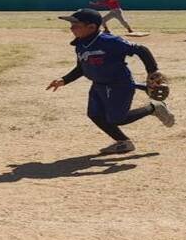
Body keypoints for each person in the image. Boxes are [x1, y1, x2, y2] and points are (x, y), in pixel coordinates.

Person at [46, 9, 175, 155]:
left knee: (116, 119)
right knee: (94, 115)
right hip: (98, 85)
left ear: (91, 27)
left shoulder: (110, 41)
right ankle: (124, 142)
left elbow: (142, 50)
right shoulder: (80, 44)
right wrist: (64, 80)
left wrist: (152, 72)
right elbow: (81, 67)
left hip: (119, 85)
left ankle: (153, 107)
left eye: (76, 24)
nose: (71, 28)